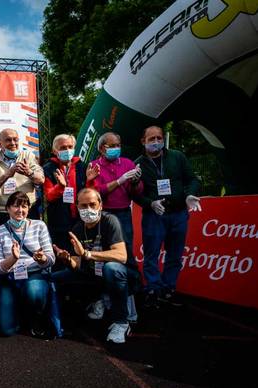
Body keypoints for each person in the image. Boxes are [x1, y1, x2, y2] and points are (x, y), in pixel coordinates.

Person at [51, 188, 131, 343]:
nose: (88, 209)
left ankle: (121, 322)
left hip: (113, 274)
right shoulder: (77, 229)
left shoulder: (110, 221)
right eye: (83, 206)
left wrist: (87, 254)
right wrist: (67, 259)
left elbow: (122, 256)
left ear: (100, 205)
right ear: (77, 207)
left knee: (112, 269)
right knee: (53, 278)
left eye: (92, 204)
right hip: (90, 273)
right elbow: (77, 264)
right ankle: (58, 319)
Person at [134, 126, 201, 306]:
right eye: (151, 139)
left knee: (175, 255)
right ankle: (153, 289)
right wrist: (150, 203)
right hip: (154, 216)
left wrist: (189, 194)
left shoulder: (177, 157)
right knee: (151, 254)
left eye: (159, 138)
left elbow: (192, 179)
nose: (156, 142)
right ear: (143, 141)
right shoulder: (138, 164)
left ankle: (169, 288)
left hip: (179, 213)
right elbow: (133, 193)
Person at [86, 132, 143, 321]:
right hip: (103, 215)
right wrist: (119, 181)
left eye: (118, 144)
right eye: (112, 145)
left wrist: (135, 181)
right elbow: (96, 192)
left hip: (124, 214)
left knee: (126, 257)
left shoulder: (127, 163)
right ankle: (104, 299)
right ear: (102, 148)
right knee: (101, 259)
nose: (116, 148)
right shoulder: (95, 166)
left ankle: (130, 300)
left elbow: (136, 191)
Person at [0, 192, 56, 337]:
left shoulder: (39, 226)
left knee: (33, 292)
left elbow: (51, 258)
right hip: (10, 278)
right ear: (7, 208)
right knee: (6, 330)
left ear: (29, 208)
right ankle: (18, 311)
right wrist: (12, 258)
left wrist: (42, 258)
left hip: (34, 274)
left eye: (24, 206)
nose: (20, 210)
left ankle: (35, 317)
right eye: (16, 206)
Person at [43, 134, 97, 254]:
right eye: (62, 148)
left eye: (70, 146)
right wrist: (60, 187)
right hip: (58, 222)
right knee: (61, 255)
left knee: (81, 254)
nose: (67, 150)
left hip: (80, 220)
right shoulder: (48, 168)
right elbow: (49, 196)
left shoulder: (83, 166)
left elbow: (90, 194)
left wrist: (90, 181)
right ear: (54, 151)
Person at [0, 128, 44, 227]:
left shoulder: (28, 156)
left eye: (15, 139)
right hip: (4, 213)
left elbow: (41, 179)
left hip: (28, 211)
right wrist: (7, 174)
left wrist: (29, 172)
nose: (13, 143)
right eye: (8, 140)